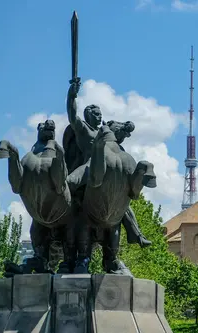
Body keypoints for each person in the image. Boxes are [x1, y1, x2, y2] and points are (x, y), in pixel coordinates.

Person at [65, 79, 151, 248]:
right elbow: (72, 115)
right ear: (88, 115)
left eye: (100, 114)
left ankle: (136, 232)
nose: (99, 116)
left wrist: (126, 128)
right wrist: (72, 95)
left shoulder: (105, 131)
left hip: (108, 167)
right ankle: (64, 206)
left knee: (121, 198)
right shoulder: (84, 129)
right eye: (96, 114)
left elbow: (119, 135)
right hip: (89, 165)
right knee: (68, 183)